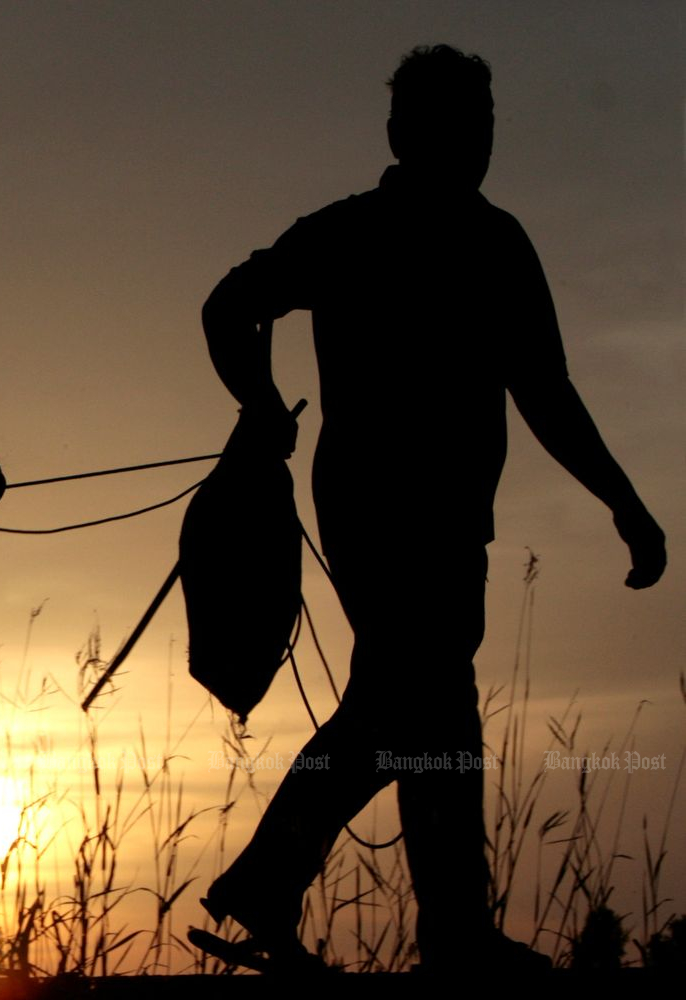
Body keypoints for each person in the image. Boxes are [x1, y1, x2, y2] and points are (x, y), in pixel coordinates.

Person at [196, 44, 667, 972]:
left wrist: (624, 500)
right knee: (422, 702)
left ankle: (422, 923)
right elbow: (546, 392)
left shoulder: (391, 235)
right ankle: (405, 920)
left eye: (487, 125)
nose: (482, 142)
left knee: (420, 712)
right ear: (410, 133)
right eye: (467, 124)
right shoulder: (450, 239)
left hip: (418, 514)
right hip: (400, 515)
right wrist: (256, 399)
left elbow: (543, 390)